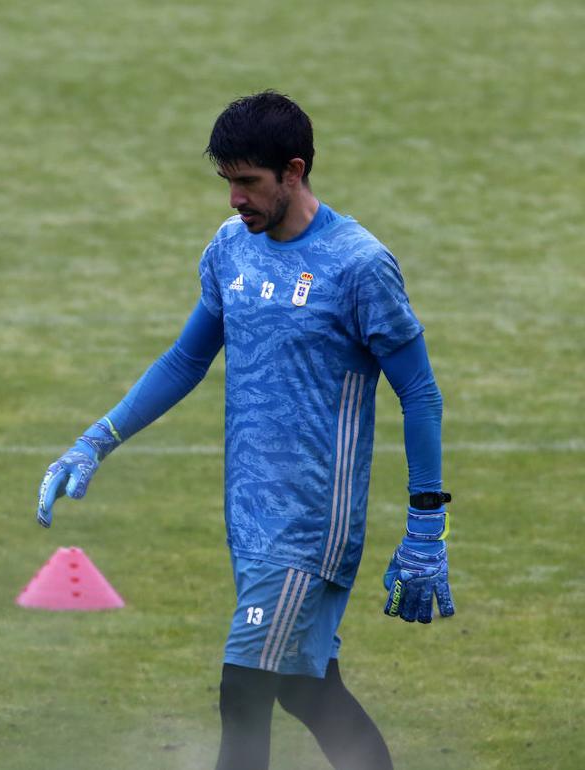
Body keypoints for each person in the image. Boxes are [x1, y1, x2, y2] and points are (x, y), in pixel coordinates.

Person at [35, 91, 454, 770]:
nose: (235, 199)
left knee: (244, 693)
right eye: (227, 182)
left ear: (294, 171)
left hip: (309, 528)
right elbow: (185, 360)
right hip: (250, 522)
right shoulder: (232, 248)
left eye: (249, 182)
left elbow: (420, 392)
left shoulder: (358, 266)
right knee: (306, 690)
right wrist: (95, 441)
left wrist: (426, 523)